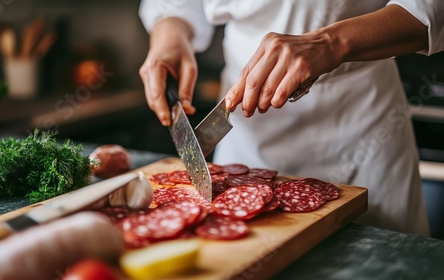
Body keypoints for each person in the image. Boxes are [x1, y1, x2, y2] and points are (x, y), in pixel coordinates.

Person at [138, 0, 444, 236]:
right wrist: (170, 35)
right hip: (244, 129)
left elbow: (430, 9)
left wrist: (331, 42)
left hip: (359, 123)